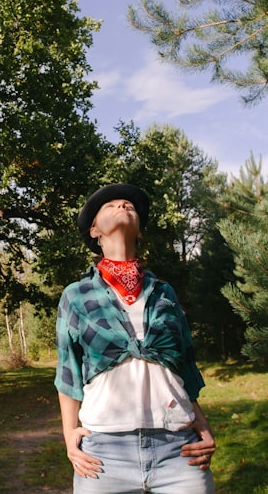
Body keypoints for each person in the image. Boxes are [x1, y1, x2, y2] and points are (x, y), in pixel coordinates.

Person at [55, 183, 216, 493]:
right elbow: (68, 372)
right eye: (110, 205)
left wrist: (203, 424)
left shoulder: (164, 293)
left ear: (140, 230)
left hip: (179, 451)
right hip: (103, 455)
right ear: (93, 231)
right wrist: (69, 435)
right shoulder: (76, 296)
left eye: (129, 205)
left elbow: (184, 366)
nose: (123, 207)